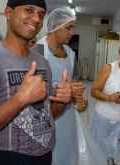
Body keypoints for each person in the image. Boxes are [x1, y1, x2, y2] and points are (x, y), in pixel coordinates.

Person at [0, 1, 72, 165]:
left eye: (41, 15)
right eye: (28, 10)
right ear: (8, 13)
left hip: (45, 156)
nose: (36, 19)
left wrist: (62, 100)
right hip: (11, 159)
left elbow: (47, 113)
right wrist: (21, 98)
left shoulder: (42, 63)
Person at [31, 8, 106, 165]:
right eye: (69, 28)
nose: (72, 33)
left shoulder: (71, 54)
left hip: (67, 118)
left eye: (73, 28)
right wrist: (61, 91)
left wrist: (80, 99)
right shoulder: (37, 52)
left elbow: (75, 85)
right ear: (54, 27)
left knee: (67, 155)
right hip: (44, 116)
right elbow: (30, 92)